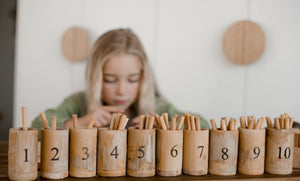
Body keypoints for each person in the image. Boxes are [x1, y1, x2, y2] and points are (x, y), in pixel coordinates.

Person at [32, 28, 209, 139]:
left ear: (143, 77)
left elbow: (203, 125)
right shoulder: (78, 103)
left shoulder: (158, 108)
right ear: (95, 77)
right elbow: (37, 126)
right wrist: (80, 123)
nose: (122, 91)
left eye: (132, 80)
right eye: (110, 80)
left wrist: (168, 127)